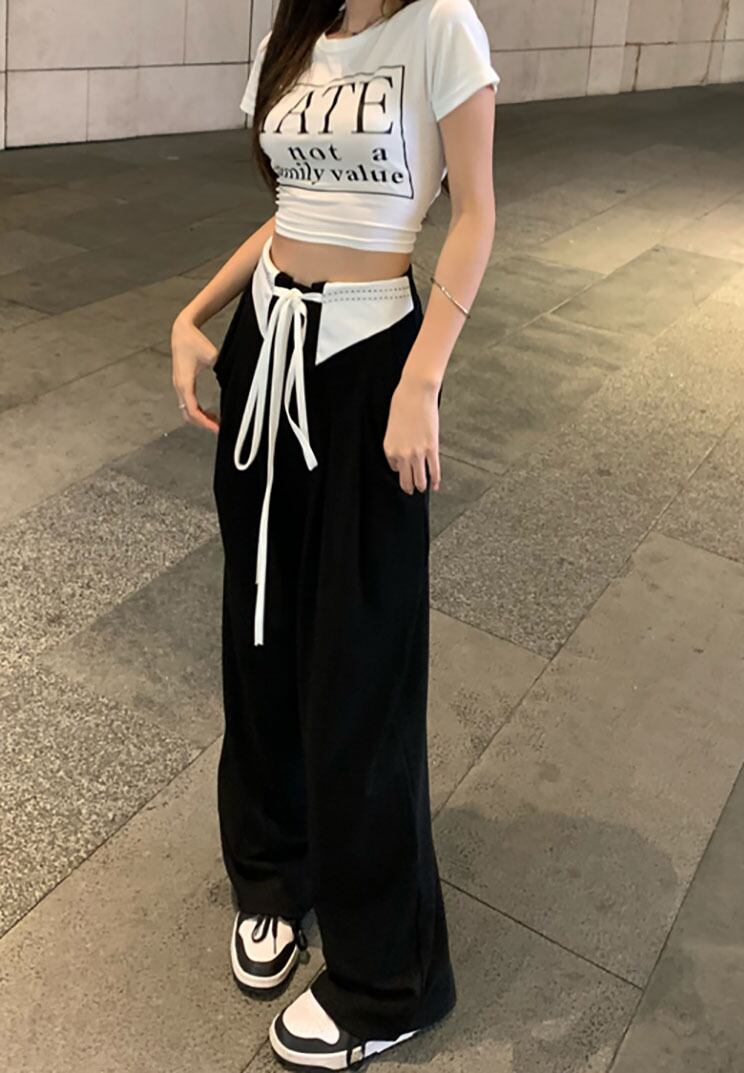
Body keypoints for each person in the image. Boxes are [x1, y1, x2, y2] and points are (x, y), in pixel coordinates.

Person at [170, 0, 498, 1067]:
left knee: (361, 661)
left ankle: (387, 978)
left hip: (370, 369)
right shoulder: (296, 25)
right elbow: (292, 211)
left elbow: (477, 214)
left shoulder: (441, 26)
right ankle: (275, 866)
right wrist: (196, 312)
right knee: (258, 631)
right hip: (266, 349)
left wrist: (422, 379)